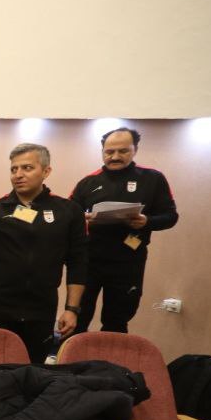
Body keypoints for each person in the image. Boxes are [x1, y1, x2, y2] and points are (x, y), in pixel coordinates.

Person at [0, 143, 88, 363]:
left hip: (40, 311)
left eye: (27, 168)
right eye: (14, 169)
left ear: (46, 171)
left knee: (32, 371)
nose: (18, 175)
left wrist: (72, 309)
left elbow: (78, 262)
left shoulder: (68, 211)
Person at [69, 127, 178, 333]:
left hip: (129, 262)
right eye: (109, 152)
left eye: (123, 151)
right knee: (77, 319)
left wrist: (147, 221)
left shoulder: (153, 179)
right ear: (102, 151)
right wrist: (83, 221)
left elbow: (171, 216)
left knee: (117, 322)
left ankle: (111, 355)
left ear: (135, 150)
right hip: (89, 260)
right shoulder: (88, 182)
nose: (115, 157)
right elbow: (69, 218)